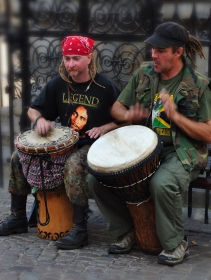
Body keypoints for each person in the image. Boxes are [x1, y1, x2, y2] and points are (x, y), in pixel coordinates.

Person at [89, 22, 211, 266]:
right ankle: (126, 231)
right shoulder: (144, 73)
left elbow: (207, 133)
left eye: (161, 50)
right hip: (142, 150)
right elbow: (117, 108)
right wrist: (128, 116)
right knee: (96, 178)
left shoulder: (198, 84)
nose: (153, 54)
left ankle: (176, 243)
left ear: (177, 52)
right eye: (152, 48)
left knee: (162, 182)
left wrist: (176, 117)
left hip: (180, 151)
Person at [0, 35, 121, 250]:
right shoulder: (58, 84)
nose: (70, 64)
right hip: (64, 143)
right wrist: (39, 120)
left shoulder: (105, 86)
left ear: (89, 58)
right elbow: (33, 109)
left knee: (74, 165)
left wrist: (105, 127)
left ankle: (80, 230)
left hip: (93, 145)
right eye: (67, 59)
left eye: (76, 58)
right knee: (17, 157)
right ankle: (18, 218)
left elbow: (125, 119)